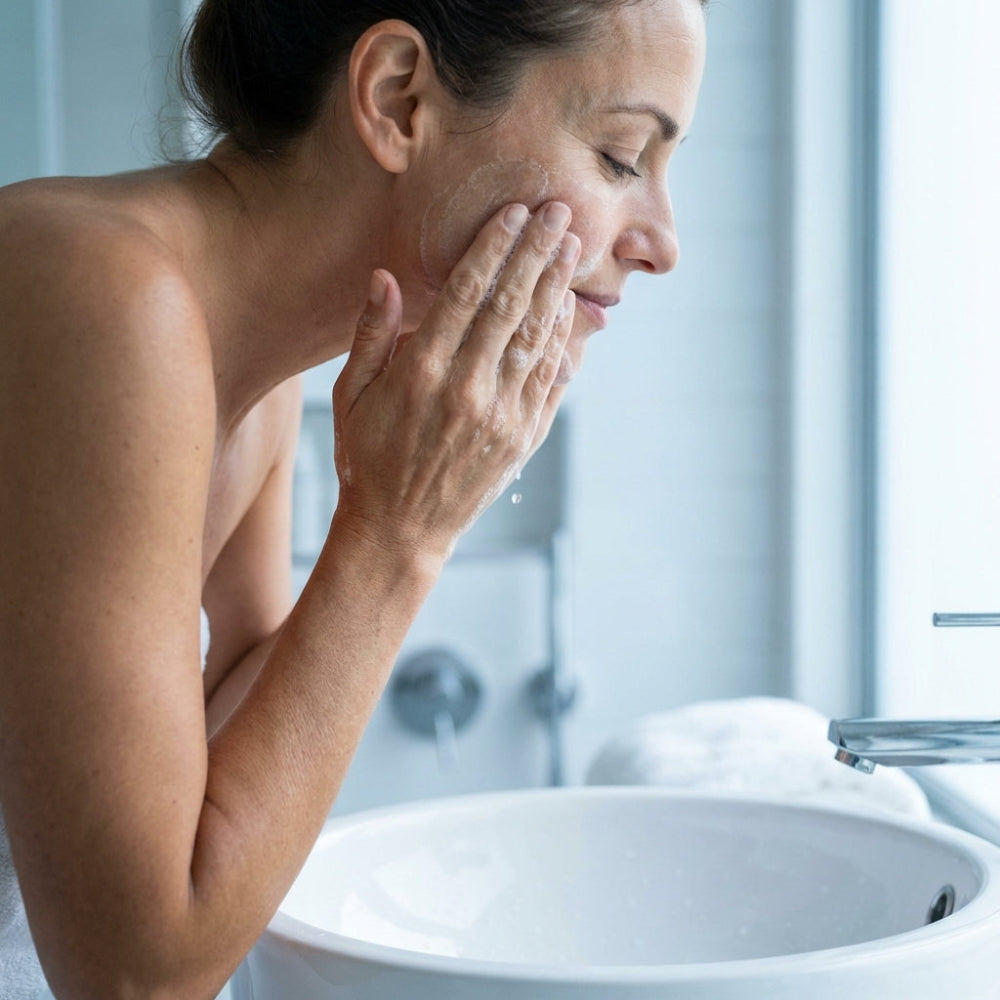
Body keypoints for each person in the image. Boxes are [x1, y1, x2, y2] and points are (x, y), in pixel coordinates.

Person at [0, 0, 706, 996]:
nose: (661, 242)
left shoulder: (250, 363)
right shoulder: (102, 295)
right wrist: (394, 536)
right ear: (397, 98)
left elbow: (221, 748)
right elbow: (132, 973)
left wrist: (421, 498)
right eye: (622, 157)